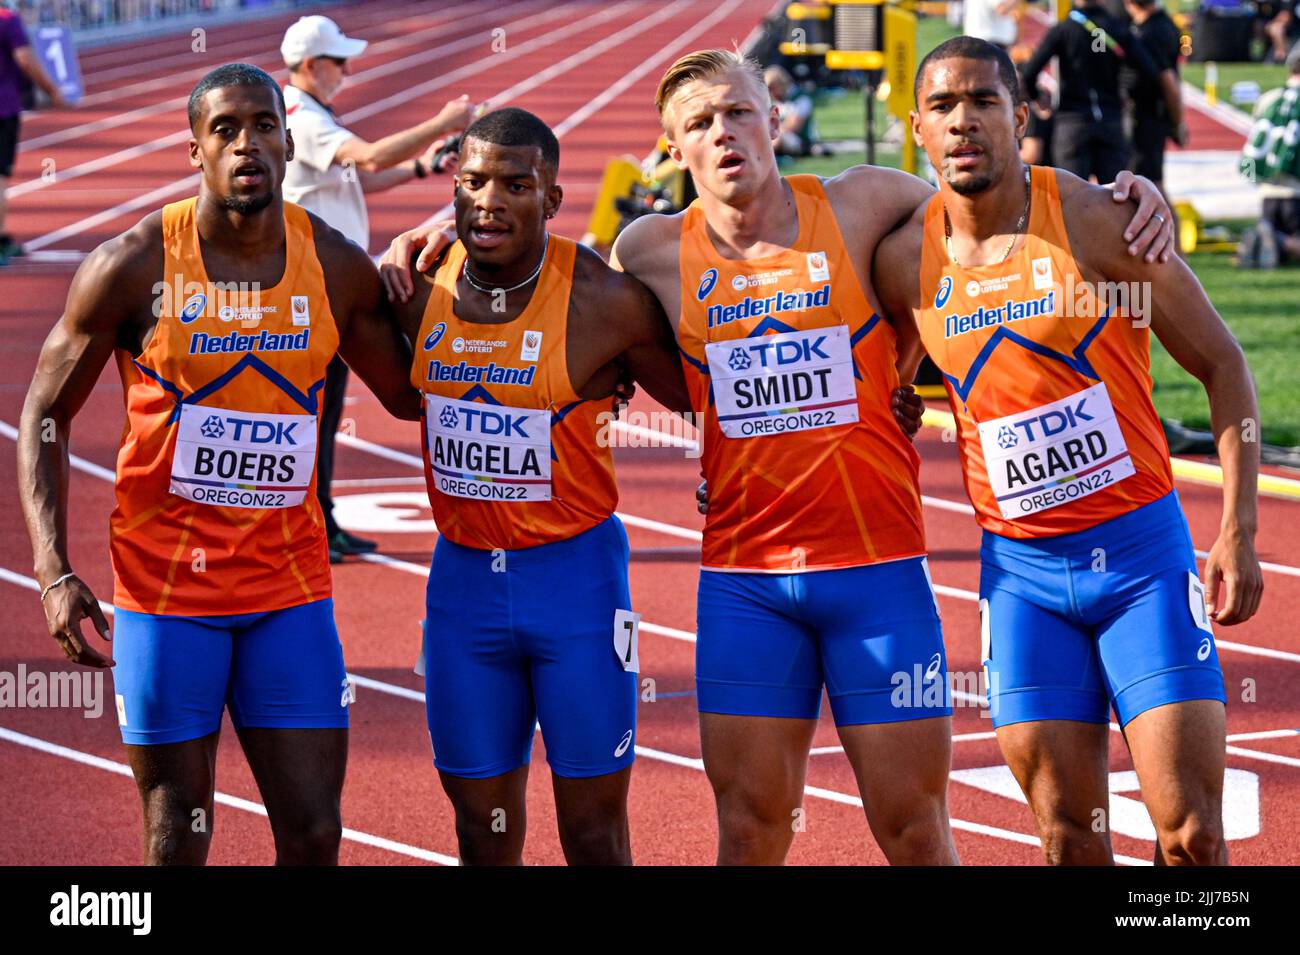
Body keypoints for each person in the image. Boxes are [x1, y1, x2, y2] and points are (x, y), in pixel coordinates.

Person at [382, 50, 1172, 867]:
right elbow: (546, 278)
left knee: (913, 830)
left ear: (772, 119)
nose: (723, 134)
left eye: (738, 112)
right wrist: (458, 230)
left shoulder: (862, 202)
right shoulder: (649, 251)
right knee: (751, 834)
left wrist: (1117, 194)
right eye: (699, 124)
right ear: (672, 147)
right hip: (746, 586)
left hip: (878, 573)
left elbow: (989, 204)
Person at [17, 63, 420, 865]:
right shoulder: (135, 264)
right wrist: (54, 570)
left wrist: (433, 276)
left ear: (287, 138)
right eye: (225, 129)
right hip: (166, 594)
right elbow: (44, 413)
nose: (247, 144)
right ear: (194, 149)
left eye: (263, 126)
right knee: (178, 832)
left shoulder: (334, 266)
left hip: (289, 589)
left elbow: (410, 399)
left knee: (314, 832)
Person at [874, 36, 1263, 864]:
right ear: (917, 129)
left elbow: (1222, 363)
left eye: (983, 101)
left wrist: (1239, 529)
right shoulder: (905, 258)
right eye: (943, 106)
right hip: (1020, 581)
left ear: (1021, 116)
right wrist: (906, 395)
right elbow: (890, 374)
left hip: (1139, 561)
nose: (964, 121)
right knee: (1066, 837)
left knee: (1190, 834)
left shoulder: (1095, 219)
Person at [385, 107, 693, 865]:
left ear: (552, 201)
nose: (490, 201)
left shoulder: (602, 301)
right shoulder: (415, 285)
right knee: (480, 832)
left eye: (516, 185)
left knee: (592, 831)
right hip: (463, 588)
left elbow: (700, 398)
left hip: (577, 585)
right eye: (474, 182)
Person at [279, 14, 474, 562]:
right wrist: (443, 121)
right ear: (312, 66)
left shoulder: (313, 114)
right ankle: (312, 522)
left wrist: (423, 167)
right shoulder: (304, 116)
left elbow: (358, 177)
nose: (346, 70)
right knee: (315, 409)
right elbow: (365, 157)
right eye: (339, 61)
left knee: (324, 408)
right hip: (314, 288)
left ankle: (323, 517)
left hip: (327, 285)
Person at [1022, 0, 1179, 183]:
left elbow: (1029, 73)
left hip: (1073, 120)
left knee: (1071, 198)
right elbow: (1149, 71)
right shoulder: (1118, 29)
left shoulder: (1063, 29)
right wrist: (1127, 92)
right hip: (1110, 119)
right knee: (1114, 197)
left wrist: (1038, 98)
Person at [1, 1, 65, 265]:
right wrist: (52, 91)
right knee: (0, 176)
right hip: (3, 108)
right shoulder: (7, 19)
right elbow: (25, 59)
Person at [1238, 42, 1300, 268]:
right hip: (1296, 194)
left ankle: (1266, 236)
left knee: (1278, 255)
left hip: (1266, 194)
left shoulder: (1268, 99)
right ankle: (1279, 241)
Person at [1121, 0, 1188, 197]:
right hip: (1148, 115)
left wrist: (1178, 122)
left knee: (1149, 187)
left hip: (1148, 117)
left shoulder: (1152, 31)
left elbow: (1167, 79)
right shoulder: (1159, 24)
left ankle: (1170, 227)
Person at [763, 65, 815, 157]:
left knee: (778, 138)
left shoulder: (801, 99)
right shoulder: (773, 101)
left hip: (800, 141)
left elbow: (792, 127)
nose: (770, 92)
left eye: (772, 88)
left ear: (781, 84)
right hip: (776, 134)